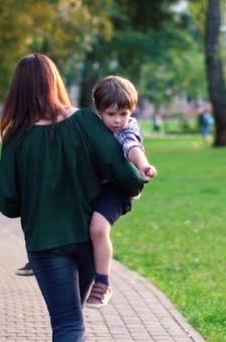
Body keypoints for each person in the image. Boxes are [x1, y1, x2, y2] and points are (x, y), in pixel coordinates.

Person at [0, 53, 145, 341]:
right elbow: (126, 175)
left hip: (45, 244)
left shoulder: (15, 138)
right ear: (55, 82)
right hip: (86, 239)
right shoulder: (86, 122)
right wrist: (133, 185)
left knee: (68, 325)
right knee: (72, 322)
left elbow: (7, 203)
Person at [84, 76, 157, 309]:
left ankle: (103, 283)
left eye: (123, 114)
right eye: (111, 114)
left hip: (118, 190)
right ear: (99, 111)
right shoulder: (92, 126)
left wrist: (144, 165)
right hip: (96, 185)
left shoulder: (128, 129)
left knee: (97, 229)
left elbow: (131, 147)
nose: (118, 120)